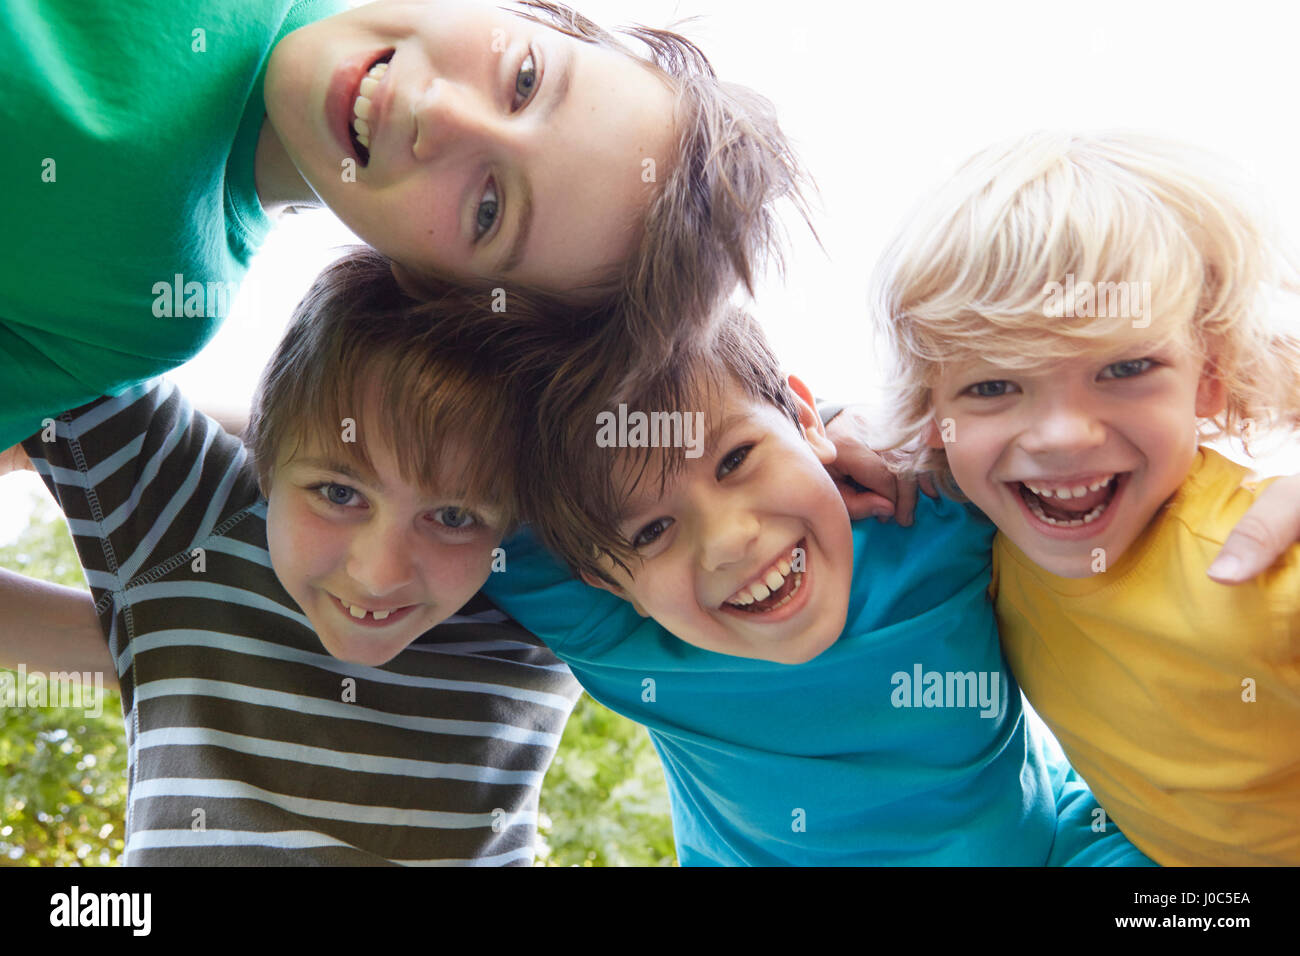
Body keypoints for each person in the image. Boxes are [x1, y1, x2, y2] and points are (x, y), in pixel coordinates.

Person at [477, 303, 1154, 865]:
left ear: (801, 419)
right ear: (604, 578)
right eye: (652, 531)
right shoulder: (613, 626)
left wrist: (852, 424)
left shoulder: (929, 505)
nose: (729, 539)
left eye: (737, 459)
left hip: (1050, 852)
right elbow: (449, 464)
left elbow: (1084, 431)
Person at [1, 0, 807, 451]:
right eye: (524, 78)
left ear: (432, 287)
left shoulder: (149, 310)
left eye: (489, 209)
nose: (438, 113)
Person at [2, 248, 581, 864]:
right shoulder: (190, 510)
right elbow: (44, 303)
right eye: (339, 493)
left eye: (453, 517)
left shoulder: (555, 589)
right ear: (267, 466)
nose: (379, 574)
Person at [868, 131, 1300, 865]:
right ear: (932, 415)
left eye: (1126, 368)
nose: (1064, 436)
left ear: (1209, 376)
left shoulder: (1263, 576)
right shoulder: (974, 533)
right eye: (993, 386)